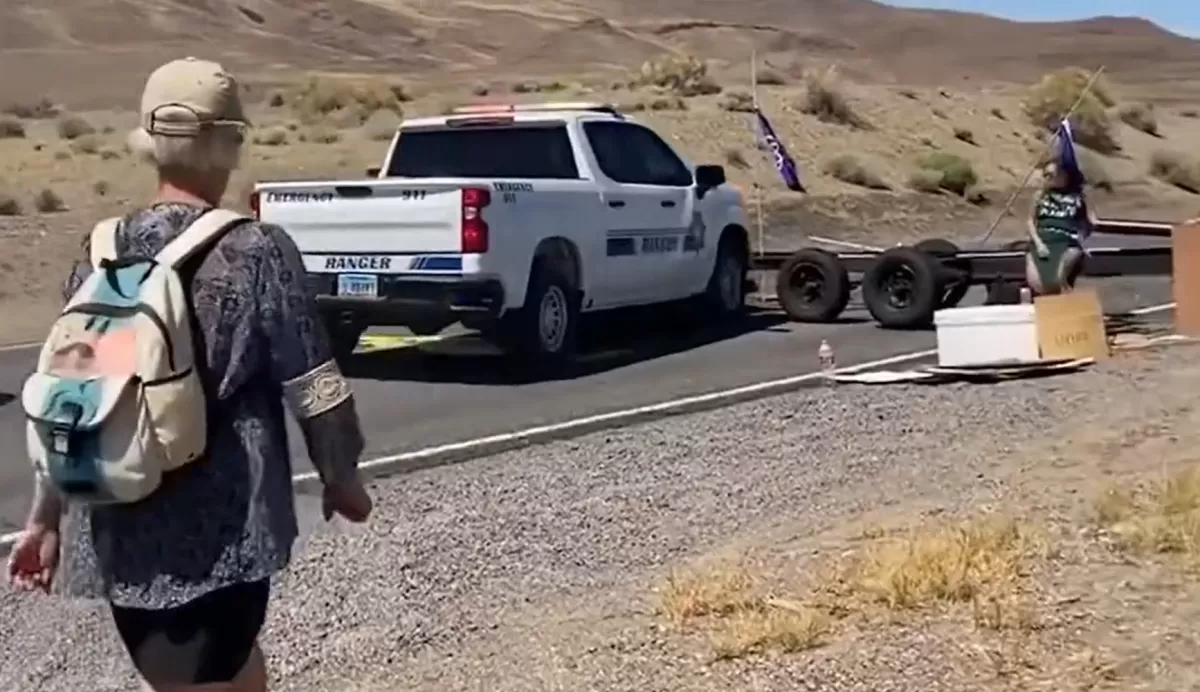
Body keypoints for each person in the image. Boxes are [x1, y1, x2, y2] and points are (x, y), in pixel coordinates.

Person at [6, 57, 373, 691]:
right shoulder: (257, 249)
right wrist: (342, 480)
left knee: (211, 672)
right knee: (210, 672)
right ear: (228, 144)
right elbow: (316, 388)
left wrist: (44, 520)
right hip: (228, 539)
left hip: (119, 525)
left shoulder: (100, 249)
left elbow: (76, 397)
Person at [1025, 160, 1096, 295]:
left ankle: (1065, 306)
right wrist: (1038, 243)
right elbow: (1030, 221)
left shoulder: (1078, 197)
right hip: (1042, 241)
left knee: (1058, 280)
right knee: (1036, 283)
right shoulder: (1039, 196)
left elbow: (1089, 222)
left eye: (1052, 174)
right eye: (1046, 175)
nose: (1048, 178)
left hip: (1066, 241)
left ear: (1064, 175)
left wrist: (1082, 236)